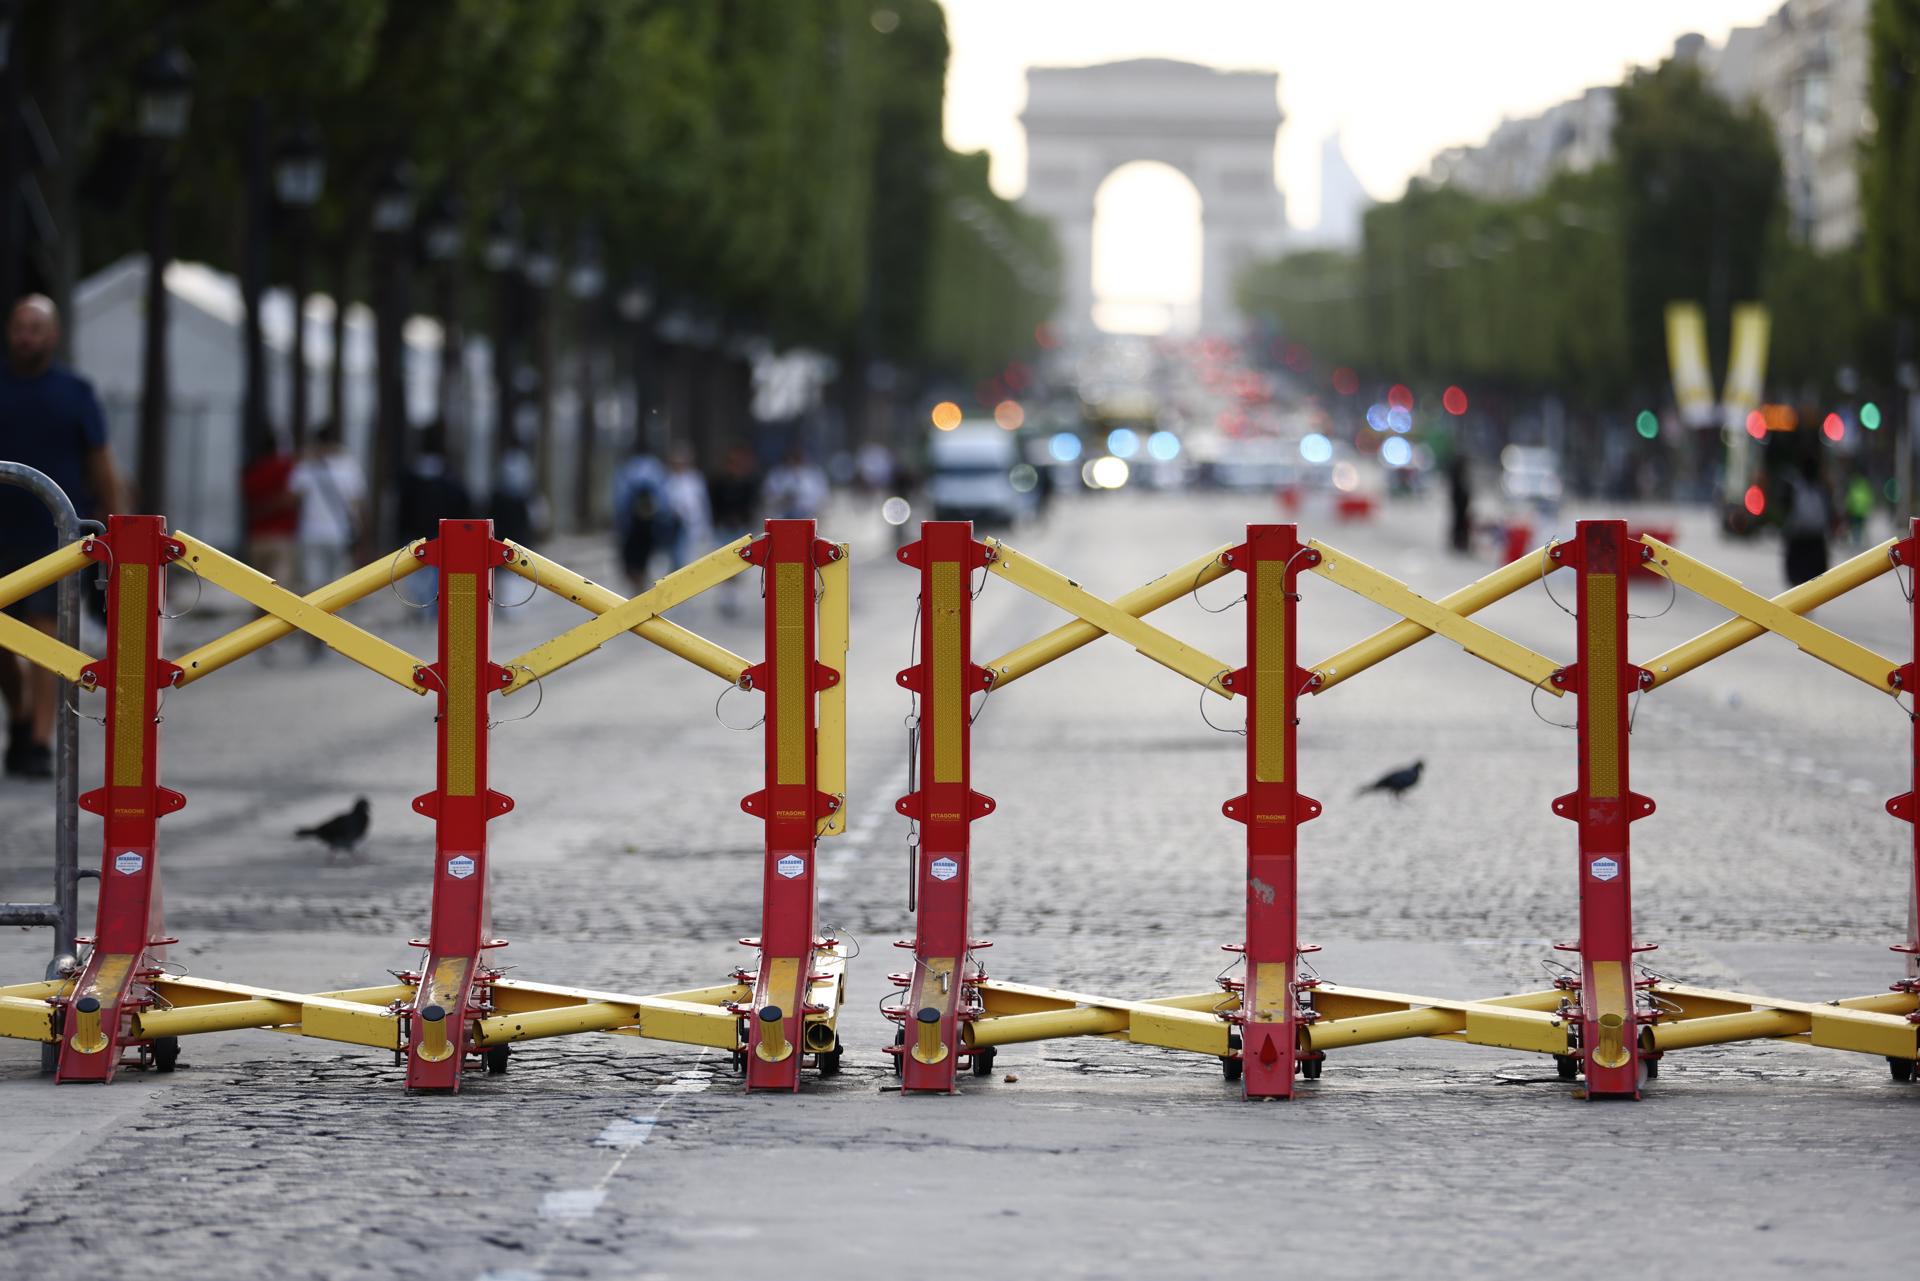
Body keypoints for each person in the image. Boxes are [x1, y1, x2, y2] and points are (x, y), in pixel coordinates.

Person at [0, 296, 124, 777]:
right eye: (20, 326)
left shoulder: (75, 392)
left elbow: (101, 463)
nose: (26, 336)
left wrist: (114, 529)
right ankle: (19, 714)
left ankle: (38, 741)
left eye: (36, 328)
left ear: (53, 335)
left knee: (44, 632)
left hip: (54, 535)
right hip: (2, 532)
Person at [288, 425, 367, 649]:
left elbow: (293, 498)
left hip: (311, 534)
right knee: (335, 588)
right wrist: (361, 534)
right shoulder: (348, 466)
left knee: (313, 587)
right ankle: (330, 634)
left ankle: (314, 634)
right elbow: (357, 503)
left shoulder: (306, 467)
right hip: (339, 534)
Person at [707, 444, 762, 617]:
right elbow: (713, 504)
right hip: (723, 527)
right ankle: (726, 598)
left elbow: (752, 505)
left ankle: (733, 598)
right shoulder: (719, 482)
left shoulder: (748, 482)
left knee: (738, 564)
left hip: (740, 528)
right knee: (724, 563)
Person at [612, 448, 669, 590]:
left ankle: (639, 585)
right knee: (639, 561)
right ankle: (640, 584)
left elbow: (620, 500)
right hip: (644, 527)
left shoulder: (627, 470)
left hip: (636, 528)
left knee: (633, 562)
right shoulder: (655, 469)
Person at [1778, 452, 1837, 587]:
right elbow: (1829, 511)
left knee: (1798, 579)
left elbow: (1784, 507)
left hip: (1800, 538)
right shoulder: (1821, 489)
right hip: (1813, 540)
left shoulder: (1796, 486)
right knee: (1813, 579)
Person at [662, 448, 713, 570]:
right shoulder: (668, 480)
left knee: (693, 556)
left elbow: (703, 504)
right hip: (675, 525)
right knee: (677, 557)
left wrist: (706, 526)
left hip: (694, 524)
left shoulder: (695, 478)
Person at [763, 447, 827, 521]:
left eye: (798, 457)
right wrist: (783, 499)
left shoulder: (815, 473)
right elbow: (768, 495)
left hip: (809, 515)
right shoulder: (776, 473)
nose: (795, 460)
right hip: (781, 514)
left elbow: (822, 498)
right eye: (793, 457)